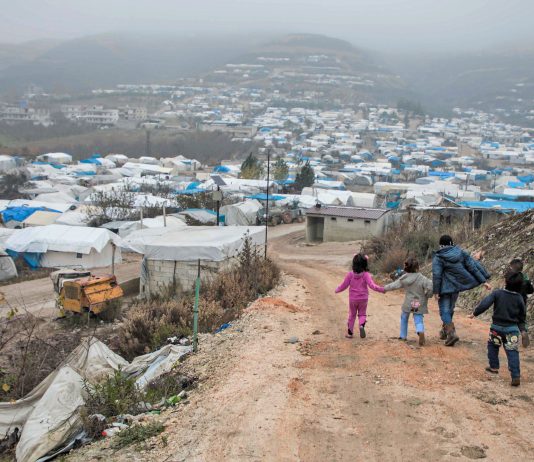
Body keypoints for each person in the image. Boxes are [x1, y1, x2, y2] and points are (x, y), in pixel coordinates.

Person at [432, 235, 491, 347]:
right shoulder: (460, 252)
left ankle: (451, 333)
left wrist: (436, 291)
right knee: (450, 309)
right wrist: (483, 281)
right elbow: (473, 267)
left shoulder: (439, 257)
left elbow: (436, 275)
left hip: (444, 289)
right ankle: (445, 331)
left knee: (444, 311)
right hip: (456, 288)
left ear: (441, 245)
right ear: (451, 243)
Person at [471, 272, 527, 387]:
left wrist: (474, 313)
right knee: (512, 351)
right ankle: (515, 376)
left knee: (493, 346)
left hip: (496, 328)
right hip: (512, 330)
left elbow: (485, 304)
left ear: (505, 282)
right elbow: (522, 317)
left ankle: (494, 367)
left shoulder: (498, 293)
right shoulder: (519, 298)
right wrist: (522, 330)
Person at [384, 257, 433, 346]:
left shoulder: (404, 278)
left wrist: (384, 289)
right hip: (417, 302)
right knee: (418, 318)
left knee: (404, 317)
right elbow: (430, 285)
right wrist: (428, 295)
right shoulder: (422, 278)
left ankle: (403, 336)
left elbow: (394, 285)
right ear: (417, 267)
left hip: (408, 302)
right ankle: (420, 330)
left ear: (406, 267)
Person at [335, 253, 384, 339]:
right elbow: (372, 286)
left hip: (353, 299)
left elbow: (344, 285)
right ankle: (361, 325)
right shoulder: (366, 275)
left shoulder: (350, 275)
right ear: (365, 264)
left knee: (352, 315)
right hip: (363, 299)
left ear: (354, 263)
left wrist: (337, 290)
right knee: (362, 314)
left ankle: (350, 333)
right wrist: (381, 289)